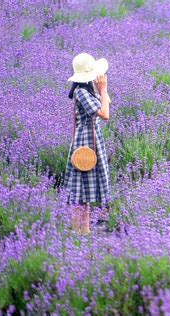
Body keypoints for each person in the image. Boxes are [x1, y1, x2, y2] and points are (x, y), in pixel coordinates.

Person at [63, 52, 112, 235]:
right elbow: (105, 115)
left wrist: (101, 89)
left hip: (93, 139)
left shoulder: (88, 89)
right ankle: (78, 231)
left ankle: (85, 231)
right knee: (80, 190)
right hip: (85, 141)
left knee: (86, 190)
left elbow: (107, 103)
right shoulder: (81, 92)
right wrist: (103, 89)